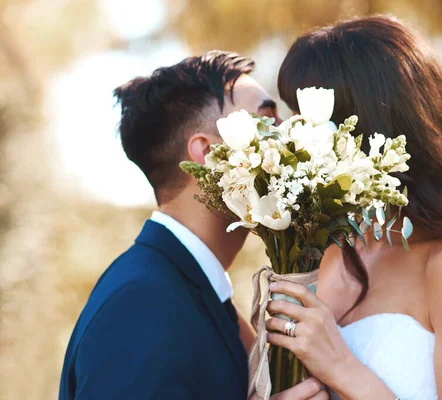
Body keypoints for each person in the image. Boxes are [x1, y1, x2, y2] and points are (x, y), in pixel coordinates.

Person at [265, 16, 442, 400]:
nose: (291, 136)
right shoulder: (326, 254)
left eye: (306, 119)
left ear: (365, 125)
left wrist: (343, 370)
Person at [59, 51, 327, 400]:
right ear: (207, 153)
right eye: (267, 123)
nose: (290, 141)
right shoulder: (142, 302)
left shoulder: (194, 292)